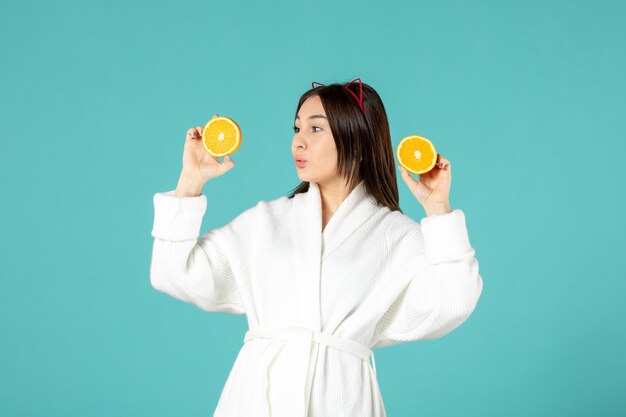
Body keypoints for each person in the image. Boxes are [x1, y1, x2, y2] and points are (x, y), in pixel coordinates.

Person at [150, 78, 484, 417]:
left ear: (357, 141)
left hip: (340, 398)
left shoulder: (394, 236)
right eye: (297, 128)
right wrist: (190, 181)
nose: (299, 141)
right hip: (254, 398)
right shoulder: (267, 221)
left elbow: (453, 300)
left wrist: (438, 209)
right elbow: (173, 272)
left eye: (315, 129)